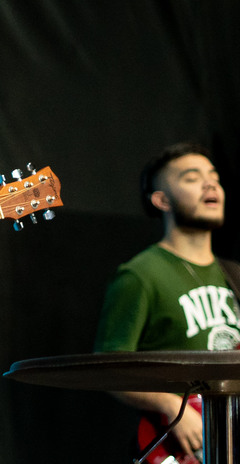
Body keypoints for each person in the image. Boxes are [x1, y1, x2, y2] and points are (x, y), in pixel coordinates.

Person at [95, 141, 240, 460]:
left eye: (213, 175)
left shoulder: (234, 275)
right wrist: (171, 404)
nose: (210, 183)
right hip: (183, 444)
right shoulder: (140, 274)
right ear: (161, 199)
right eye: (191, 177)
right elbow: (108, 368)